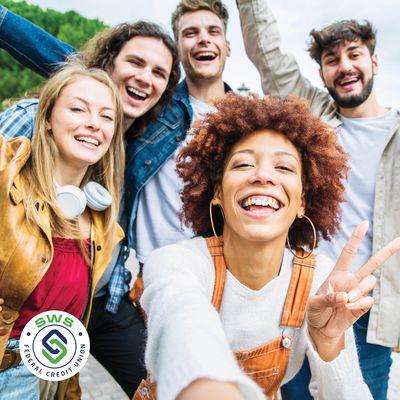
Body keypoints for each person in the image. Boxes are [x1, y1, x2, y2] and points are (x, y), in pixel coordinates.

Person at [133, 93, 400, 400]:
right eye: (244, 164)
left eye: (284, 168)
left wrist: (329, 343)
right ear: (217, 191)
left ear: (302, 201)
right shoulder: (175, 263)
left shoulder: (320, 280)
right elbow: (182, 320)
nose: (262, 176)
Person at [0, 5, 180, 396]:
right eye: (135, 62)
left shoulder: (119, 161)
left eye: (159, 73)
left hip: (84, 308)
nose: (145, 77)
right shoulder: (26, 126)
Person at [236, 0, 400, 398]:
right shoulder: (317, 119)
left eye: (354, 54)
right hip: (301, 295)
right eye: (331, 59)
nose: (344, 65)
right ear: (323, 74)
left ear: (375, 62)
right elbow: (269, 55)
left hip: (369, 309)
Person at [0, 62, 125, 399]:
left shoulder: (102, 225)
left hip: (40, 378)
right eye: (77, 109)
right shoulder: (6, 175)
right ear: (47, 121)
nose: (93, 124)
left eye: (106, 116)